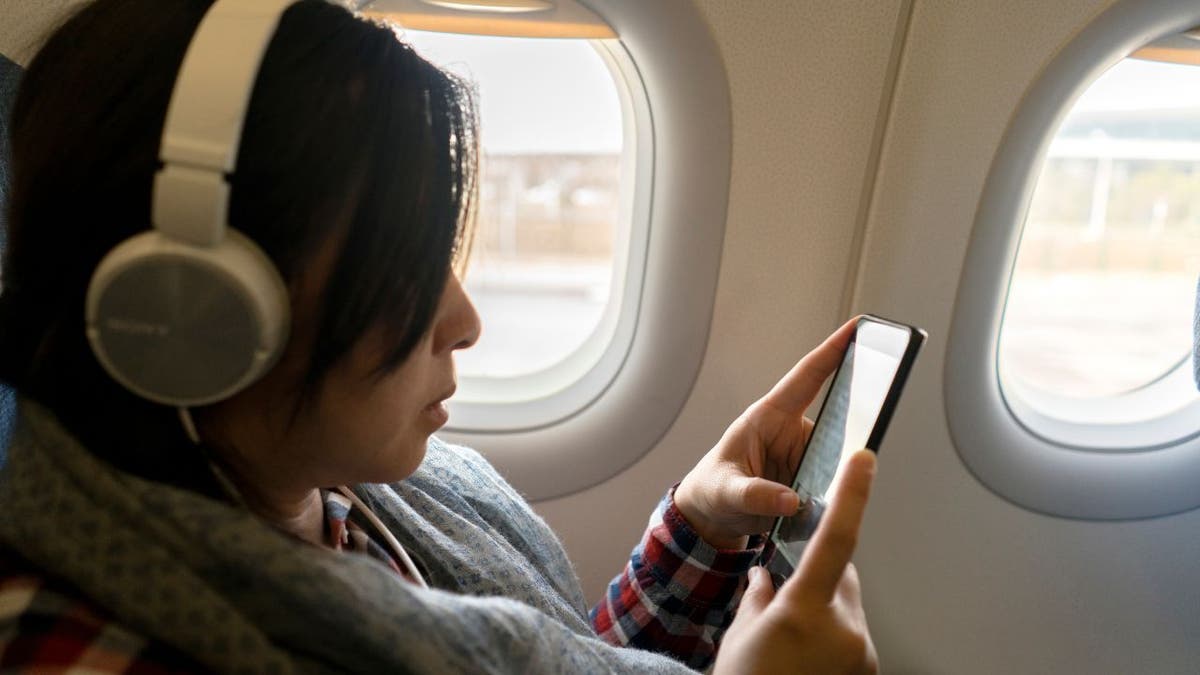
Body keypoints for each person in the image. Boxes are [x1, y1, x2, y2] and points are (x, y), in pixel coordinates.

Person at [0, 0, 878, 672]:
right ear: (203, 312)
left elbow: (559, 654)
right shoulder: (74, 642)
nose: (465, 321)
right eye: (402, 273)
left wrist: (696, 533)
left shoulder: (336, 493)